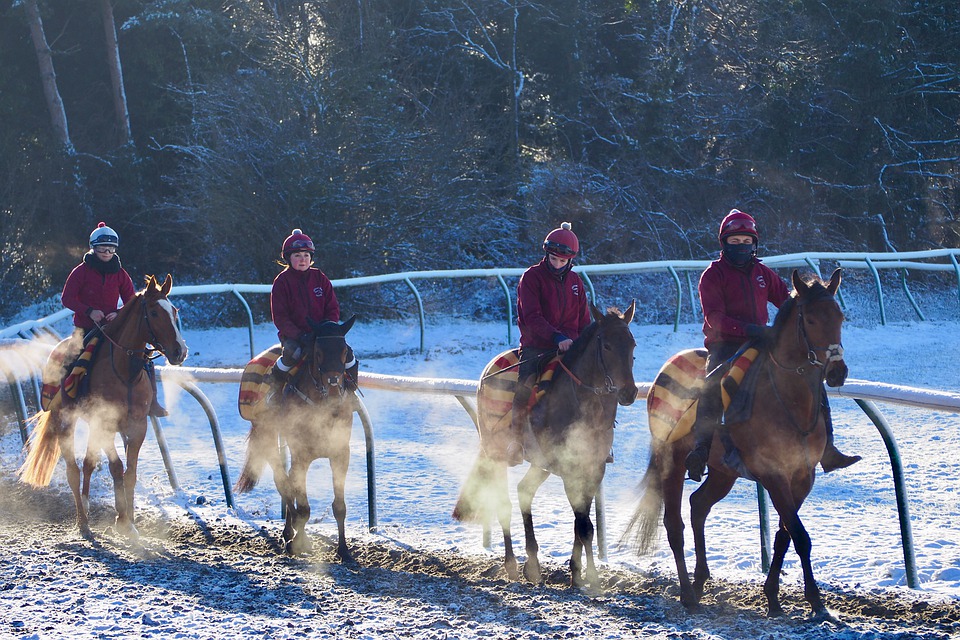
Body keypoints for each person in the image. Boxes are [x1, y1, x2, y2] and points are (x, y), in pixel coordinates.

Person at [684, 209, 860, 482]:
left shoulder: (763, 273)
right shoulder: (712, 275)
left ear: (754, 244)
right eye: (735, 241)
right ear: (724, 243)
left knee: (811, 374)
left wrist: (816, 302)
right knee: (713, 384)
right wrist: (750, 329)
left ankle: (828, 447)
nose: (741, 247)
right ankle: (700, 449)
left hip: (764, 342)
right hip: (726, 346)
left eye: (746, 241)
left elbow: (791, 302)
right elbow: (714, 319)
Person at [504, 222, 593, 466]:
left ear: (570, 261)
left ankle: (597, 442)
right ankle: (515, 441)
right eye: (553, 259)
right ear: (547, 254)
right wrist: (557, 338)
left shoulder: (576, 282)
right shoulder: (531, 278)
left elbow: (584, 320)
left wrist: (583, 342)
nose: (556, 264)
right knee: (525, 387)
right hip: (538, 347)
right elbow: (532, 317)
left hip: (571, 347)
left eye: (562, 261)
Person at [61, 222, 168, 417]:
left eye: (111, 248)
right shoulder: (81, 271)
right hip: (85, 327)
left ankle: (153, 401)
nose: (107, 252)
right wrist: (89, 311)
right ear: (93, 248)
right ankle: (69, 402)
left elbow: (131, 300)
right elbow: (67, 298)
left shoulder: (120, 274)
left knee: (145, 357)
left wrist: (118, 313)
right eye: (102, 248)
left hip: (114, 327)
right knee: (71, 361)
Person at [267, 228, 358, 399]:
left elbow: (332, 307)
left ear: (311, 258)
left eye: (306, 256)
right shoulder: (281, 282)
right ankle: (275, 390)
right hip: (295, 337)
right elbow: (280, 317)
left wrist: (327, 329)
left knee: (347, 353)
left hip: (323, 335)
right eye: (297, 256)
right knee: (292, 353)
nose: (303, 260)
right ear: (288, 258)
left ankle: (351, 390)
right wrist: (300, 335)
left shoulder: (320, 278)